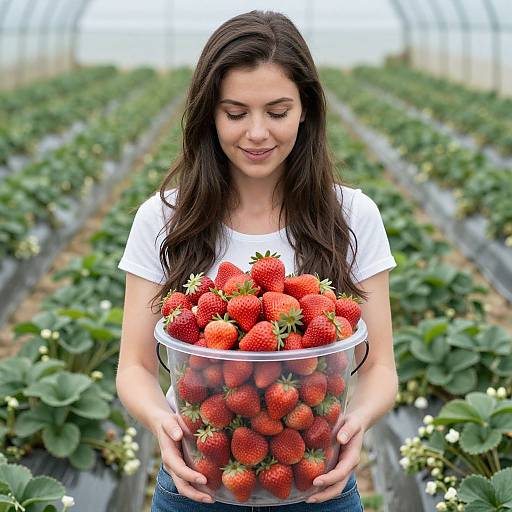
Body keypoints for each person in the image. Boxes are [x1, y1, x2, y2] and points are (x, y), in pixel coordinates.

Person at [116, 9, 397, 512]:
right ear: (210, 114)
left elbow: (377, 366)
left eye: (277, 110)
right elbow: (135, 366)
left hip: (319, 482)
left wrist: (354, 425)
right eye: (236, 112)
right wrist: (164, 423)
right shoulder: (163, 218)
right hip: (196, 480)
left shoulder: (352, 214)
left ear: (305, 109)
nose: (257, 133)